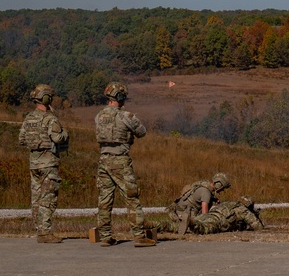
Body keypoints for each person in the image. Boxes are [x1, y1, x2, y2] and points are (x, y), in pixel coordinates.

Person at [94, 81, 156, 247]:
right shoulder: (126, 116)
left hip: (103, 160)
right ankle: (138, 236)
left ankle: (106, 237)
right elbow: (142, 132)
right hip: (120, 160)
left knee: (104, 200)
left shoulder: (99, 116)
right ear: (120, 97)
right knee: (132, 197)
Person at [18, 83, 69, 243]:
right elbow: (57, 138)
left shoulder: (28, 118)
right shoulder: (50, 118)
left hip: (34, 163)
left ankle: (39, 229)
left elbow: (21, 140)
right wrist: (65, 134)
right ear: (46, 98)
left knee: (36, 198)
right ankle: (45, 232)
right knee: (48, 197)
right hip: (48, 164)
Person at [157, 173, 231, 234]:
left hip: (177, 211)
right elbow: (205, 214)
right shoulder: (206, 193)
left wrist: (213, 200)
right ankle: (189, 222)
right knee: (198, 228)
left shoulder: (203, 184)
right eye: (223, 188)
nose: (222, 190)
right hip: (182, 215)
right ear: (219, 185)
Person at [186, 196, 264, 234]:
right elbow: (257, 227)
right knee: (206, 228)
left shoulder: (231, 204)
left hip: (210, 214)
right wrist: (255, 216)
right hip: (220, 221)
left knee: (200, 221)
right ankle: (191, 223)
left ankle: (176, 224)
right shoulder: (243, 209)